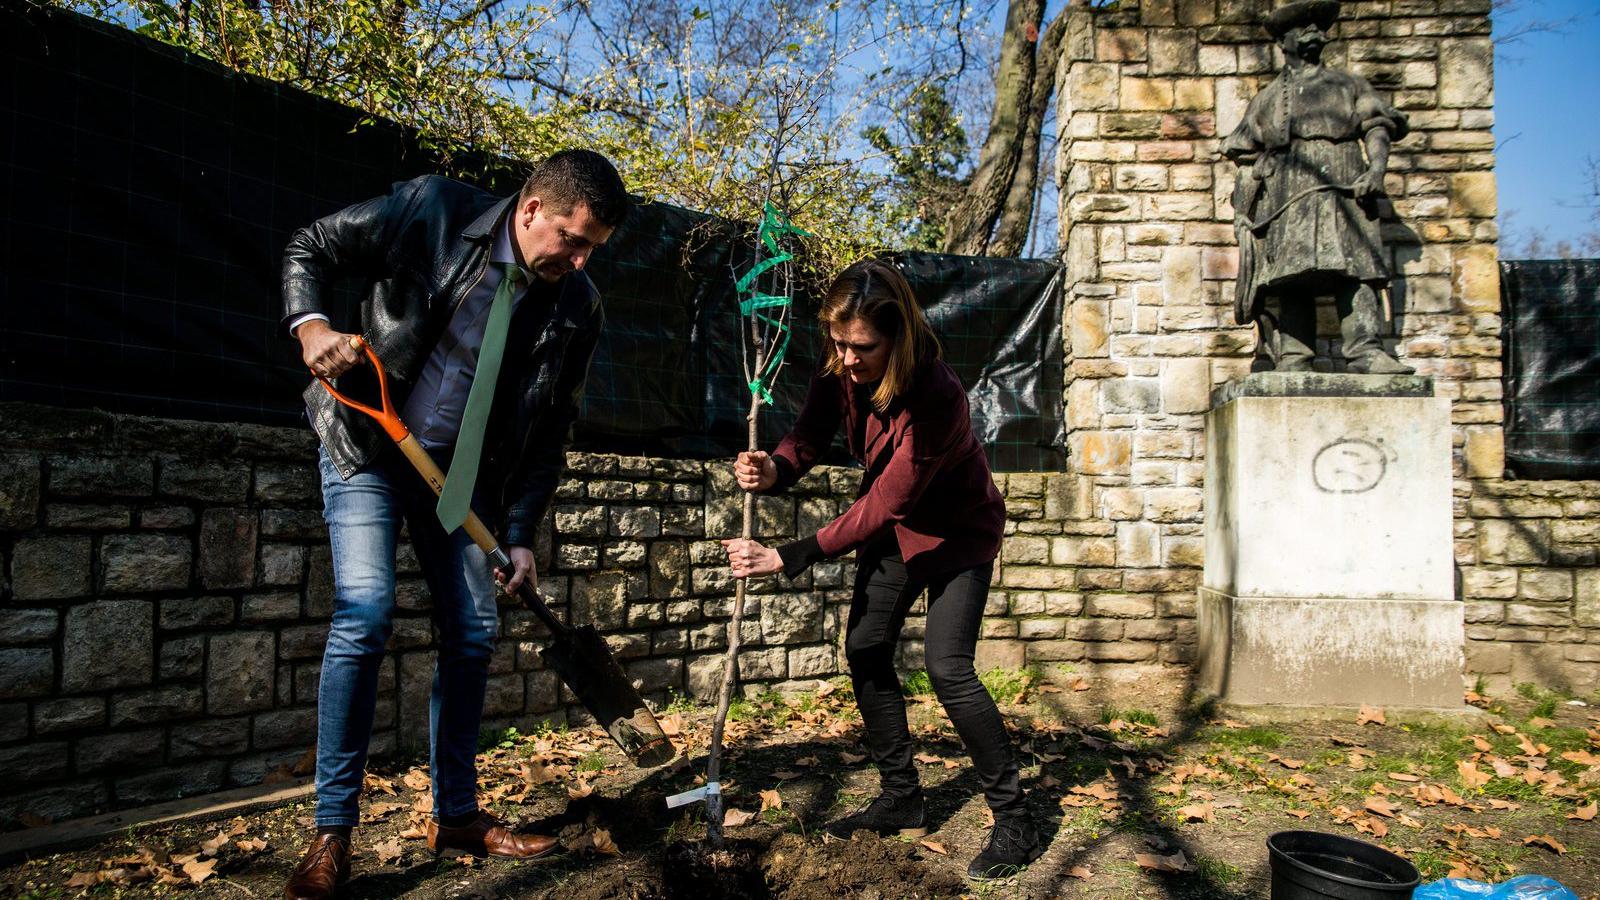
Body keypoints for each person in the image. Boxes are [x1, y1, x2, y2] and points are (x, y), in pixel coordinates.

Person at [278, 150, 630, 900]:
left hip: (460, 483)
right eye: (572, 238)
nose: (579, 258)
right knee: (366, 613)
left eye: (593, 247)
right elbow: (311, 244)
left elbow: (552, 429)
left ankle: (458, 817)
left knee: (473, 630)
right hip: (369, 444)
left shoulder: (576, 306)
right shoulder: (434, 211)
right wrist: (311, 328)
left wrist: (524, 533)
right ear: (532, 209)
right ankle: (332, 832)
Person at [719, 258, 1042, 880]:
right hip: (896, 536)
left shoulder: (937, 396)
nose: (845, 358)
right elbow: (807, 438)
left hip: (957, 536)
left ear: (898, 337)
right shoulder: (839, 369)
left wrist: (789, 554)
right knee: (866, 646)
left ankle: (1014, 818)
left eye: (861, 346)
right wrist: (776, 469)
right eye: (837, 343)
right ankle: (902, 798)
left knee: (948, 668)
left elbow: (889, 500)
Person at [1223, 0, 1413, 374]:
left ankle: (1365, 350)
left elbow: (1377, 126)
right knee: (1290, 273)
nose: (1315, 35)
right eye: (1303, 29)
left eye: (1318, 29)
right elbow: (1244, 155)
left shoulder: (1348, 85)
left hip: (1343, 180)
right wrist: (1244, 212)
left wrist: (1376, 169)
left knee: (1358, 267)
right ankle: (1295, 355)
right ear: (1284, 42)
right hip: (1287, 190)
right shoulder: (1267, 99)